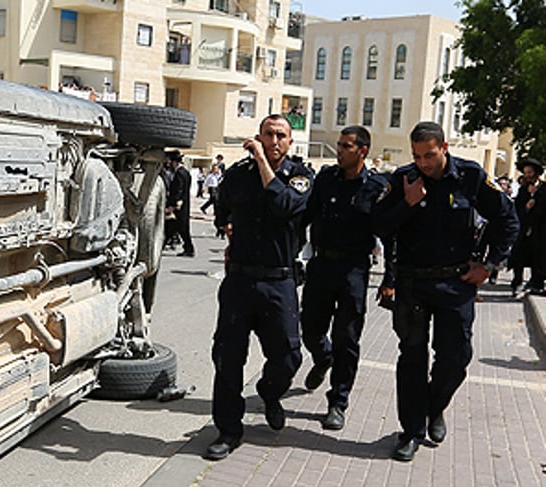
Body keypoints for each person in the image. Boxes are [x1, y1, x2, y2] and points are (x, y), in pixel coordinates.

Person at [373, 121, 518, 461]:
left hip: (456, 283)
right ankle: (410, 431)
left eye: (429, 155)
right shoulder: (404, 179)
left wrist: (489, 265)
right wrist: (407, 204)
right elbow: (378, 225)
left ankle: (433, 407)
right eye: (417, 155)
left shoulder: (470, 176)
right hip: (413, 283)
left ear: (445, 148)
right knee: (412, 358)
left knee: (455, 357)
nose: (423, 163)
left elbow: (507, 220)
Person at [205, 115, 315, 460]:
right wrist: (226, 226)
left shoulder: (300, 176)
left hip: (279, 281)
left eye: (281, 135)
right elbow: (222, 207)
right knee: (227, 357)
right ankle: (228, 429)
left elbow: (285, 205)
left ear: (289, 142)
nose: (274, 140)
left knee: (288, 356)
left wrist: (265, 164)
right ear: (258, 136)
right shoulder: (238, 174)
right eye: (268, 134)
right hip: (239, 280)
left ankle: (269, 392)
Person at [300, 125, 388, 431]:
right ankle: (322, 358)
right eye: (338, 145)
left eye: (346, 146)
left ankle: (338, 402)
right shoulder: (325, 179)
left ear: (362, 151)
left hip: (354, 269)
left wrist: (391, 277)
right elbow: (305, 215)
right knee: (310, 328)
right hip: (321, 265)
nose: (339, 150)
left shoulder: (376, 186)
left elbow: (390, 232)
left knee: (347, 338)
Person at [511, 158, 544, 296]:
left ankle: (537, 282)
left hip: (540, 229)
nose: (528, 175)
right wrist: (526, 206)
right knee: (519, 255)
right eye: (525, 173)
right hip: (524, 228)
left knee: (539, 256)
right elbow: (517, 207)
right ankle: (517, 281)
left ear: (536, 173)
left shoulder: (544, 188)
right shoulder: (523, 189)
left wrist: (536, 198)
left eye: (530, 172)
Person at [164, 150, 195, 256]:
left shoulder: (179, 173)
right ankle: (162, 246)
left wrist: (173, 205)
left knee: (182, 228)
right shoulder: (185, 172)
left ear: (174, 162)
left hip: (179, 206)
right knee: (172, 227)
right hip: (183, 204)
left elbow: (179, 190)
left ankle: (189, 249)